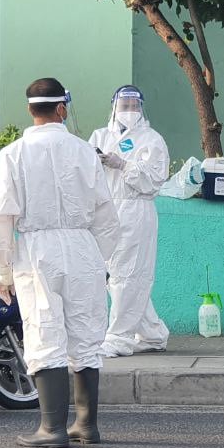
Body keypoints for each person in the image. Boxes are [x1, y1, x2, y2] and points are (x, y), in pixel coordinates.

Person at [0, 79, 121, 448]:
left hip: (38, 248)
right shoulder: (84, 151)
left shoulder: (13, 154)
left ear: (30, 109)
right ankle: (86, 425)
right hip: (83, 246)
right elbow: (106, 214)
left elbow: (2, 217)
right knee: (86, 333)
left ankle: (52, 428)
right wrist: (100, 258)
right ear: (62, 108)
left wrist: (3, 268)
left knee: (43, 328)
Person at [88, 86, 171, 358]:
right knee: (114, 277)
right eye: (124, 105)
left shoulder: (151, 139)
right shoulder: (100, 136)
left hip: (136, 211)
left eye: (135, 106)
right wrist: (97, 162)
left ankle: (118, 338)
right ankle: (153, 334)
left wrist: (123, 165)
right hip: (106, 211)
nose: (130, 110)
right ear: (114, 107)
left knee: (129, 275)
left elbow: (154, 180)